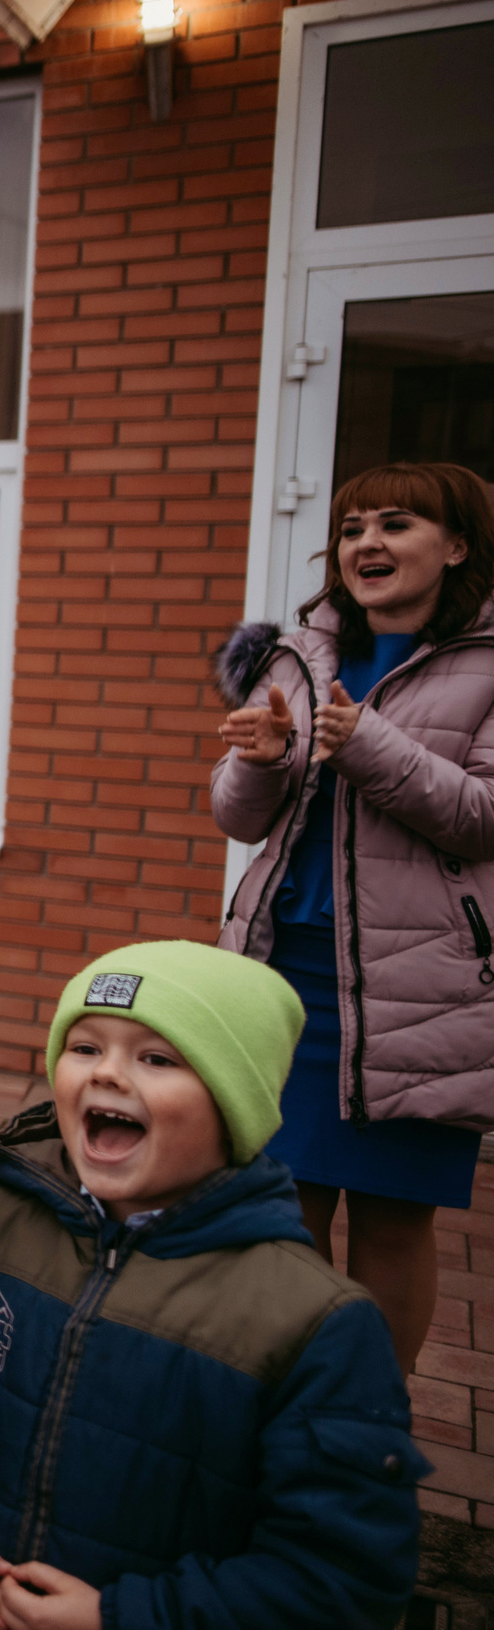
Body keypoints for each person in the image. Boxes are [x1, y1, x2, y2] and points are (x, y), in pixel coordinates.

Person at [0, 941, 423, 1630]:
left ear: (234, 1099)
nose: (110, 1074)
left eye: (157, 1057)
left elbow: (342, 1576)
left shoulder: (314, 1322)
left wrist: (124, 1616)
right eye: (85, 1046)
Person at [211, 460, 494, 1372]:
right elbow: (239, 817)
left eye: (397, 524)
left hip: (420, 990)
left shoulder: (487, 666)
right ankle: (290, 1405)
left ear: (456, 547)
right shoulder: (301, 654)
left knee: (393, 1220)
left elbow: (481, 815)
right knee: (282, 1210)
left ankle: (368, 1417)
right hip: (286, 975)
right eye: (353, 527)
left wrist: (366, 745)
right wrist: (258, 761)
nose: (368, 542)